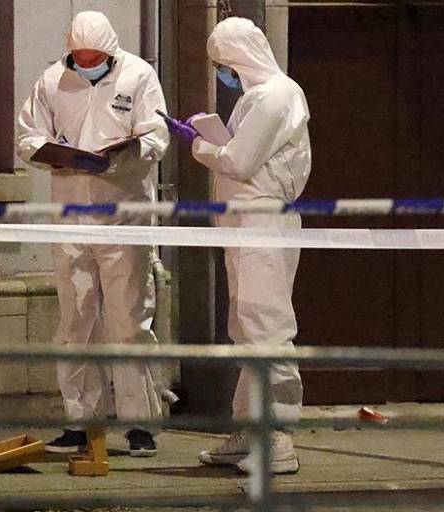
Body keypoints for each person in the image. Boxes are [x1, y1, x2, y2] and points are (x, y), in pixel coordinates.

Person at [16, 10, 170, 457]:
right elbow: (28, 138)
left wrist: (121, 156)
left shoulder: (138, 76)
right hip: (71, 215)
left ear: (110, 51)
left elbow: (156, 136)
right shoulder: (51, 80)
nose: (86, 63)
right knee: (75, 319)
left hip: (124, 215)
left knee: (129, 320)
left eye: (94, 57)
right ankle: (80, 422)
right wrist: (55, 155)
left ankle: (140, 424)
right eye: (79, 57)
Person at [165, 17, 311, 474]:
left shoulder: (277, 95)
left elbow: (239, 161)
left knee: (268, 327)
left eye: (222, 65)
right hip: (244, 223)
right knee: (246, 328)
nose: (222, 74)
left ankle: (278, 437)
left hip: (264, 222)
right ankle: (250, 429)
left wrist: (198, 145)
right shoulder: (254, 98)